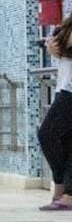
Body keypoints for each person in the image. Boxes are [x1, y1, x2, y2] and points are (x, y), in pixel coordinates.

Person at [38, 15, 72, 210]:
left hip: (69, 90)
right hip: (65, 85)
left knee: (47, 134)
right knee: (66, 141)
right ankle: (64, 191)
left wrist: (59, 47)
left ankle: (64, 189)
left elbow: (63, 44)